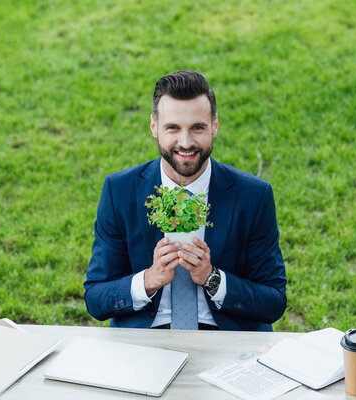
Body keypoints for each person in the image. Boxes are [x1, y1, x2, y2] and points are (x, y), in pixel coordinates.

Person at [84, 70, 286, 331]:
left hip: (227, 339)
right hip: (145, 341)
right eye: (173, 128)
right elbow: (96, 298)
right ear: (154, 127)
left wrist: (213, 279)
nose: (186, 142)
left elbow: (274, 301)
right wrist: (149, 280)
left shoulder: (253, 196)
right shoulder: (119, 190)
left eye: (197, 127)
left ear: (214, 126)